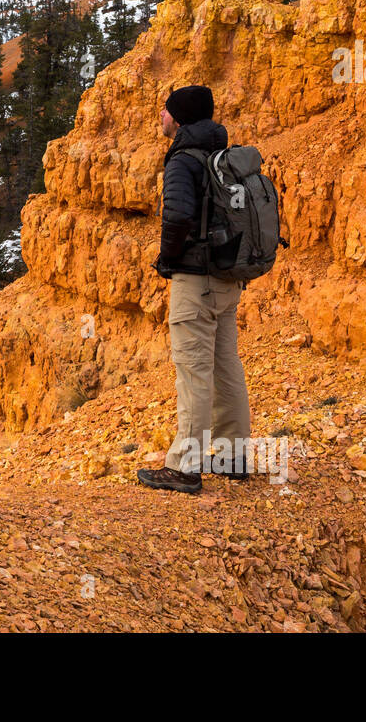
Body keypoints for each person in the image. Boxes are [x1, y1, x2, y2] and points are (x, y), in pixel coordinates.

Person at [137, 85, 250, 495]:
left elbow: (179, 215)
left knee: (193, 370)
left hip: (195, 280)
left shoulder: (183, 160)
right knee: (225, 365)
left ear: (179, 117)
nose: (161, 117)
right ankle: (233, 455)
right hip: (226, 279)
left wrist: (167, 258)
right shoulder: (222, 155)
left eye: (165, 111)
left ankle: (185, 467)